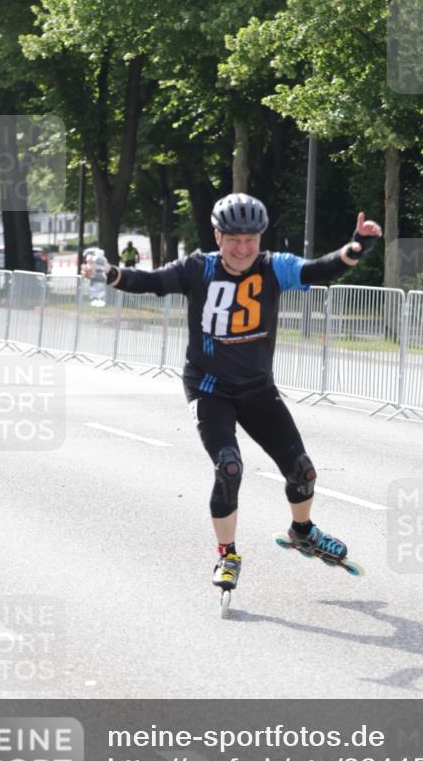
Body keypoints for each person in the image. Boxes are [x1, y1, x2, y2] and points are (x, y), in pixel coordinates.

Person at [84, 193, 382, 593]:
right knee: (229, 467)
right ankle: (228, 554)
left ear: (260, 239)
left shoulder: (274, 267)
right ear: (218, 237)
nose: (242, 249)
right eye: (233, 240)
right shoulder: (198, 269)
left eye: (250, 240)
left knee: (303, 472)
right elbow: (150, 281)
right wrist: (111, 274)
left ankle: (302, 532)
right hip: (210, 389)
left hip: (258, 390)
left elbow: (320, 269)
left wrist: (357, 247)